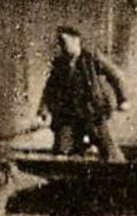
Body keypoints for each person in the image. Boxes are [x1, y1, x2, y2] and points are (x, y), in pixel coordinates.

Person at [38, 25, 128, 161]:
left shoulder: (92, 58)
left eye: (64, 41)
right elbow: (49, 89)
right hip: (69, 115)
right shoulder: (59, 64)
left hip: (92, 113)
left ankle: (118, 167)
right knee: (61, 153)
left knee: (110, 153)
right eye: (60, 43)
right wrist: (42, 111)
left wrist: (123, 100)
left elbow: (115, 76)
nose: (62, 46)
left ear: (76, 40)